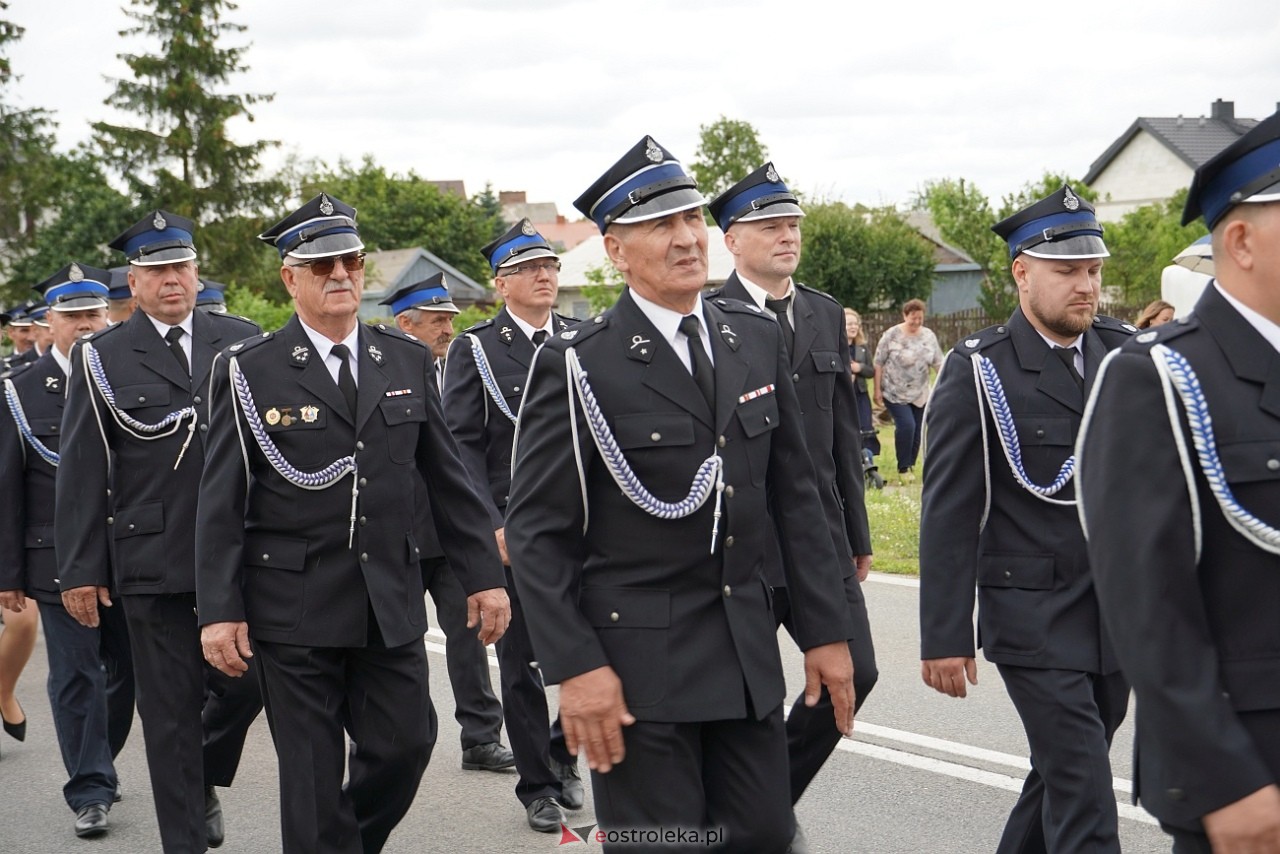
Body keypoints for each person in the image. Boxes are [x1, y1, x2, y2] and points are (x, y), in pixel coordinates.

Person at [504, 136, 855, 853]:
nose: (689, 238)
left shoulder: (752, 338)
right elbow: (538, 534)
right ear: (615, 250)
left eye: (693, 218)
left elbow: (799, 499)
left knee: (761, 836)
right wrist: (575, 666)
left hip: (743, 661)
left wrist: (825, 629)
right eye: (662, 225)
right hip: (635, 676)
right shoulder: (579, 365)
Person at [195, 193, 511, 854]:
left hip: (385, 601)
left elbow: (449, 481)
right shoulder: (250, 371)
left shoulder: (403, 361)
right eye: (322, 266)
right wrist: (218, 610)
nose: (340, 274)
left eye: (351, 262)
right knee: (310, 777)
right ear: (291, 279)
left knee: (408, 743)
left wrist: (484, 576)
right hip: (294, 607)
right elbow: (220, 500)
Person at [1078, 111, 1280, 854]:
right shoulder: (1157, 377)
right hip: (1253, 778)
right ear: (1241, 240)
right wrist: (1225, 782)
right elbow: (1147, 605)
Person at [919, 185, 1136, 854]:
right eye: (1067, 271)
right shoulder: (979, 370)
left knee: (1059, 777)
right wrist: (943, 634)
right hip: (1032, 616)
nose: (1086, 286)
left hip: (1113, 615)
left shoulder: (1122, 353)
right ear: (1021, 272)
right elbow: (949, 510)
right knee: (1085, 796)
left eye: (1093, 270)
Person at [55, 210, 264, 853]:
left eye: (181, 267)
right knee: (169, 714)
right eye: (157, 271)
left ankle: (200, 772)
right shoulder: (103, 355)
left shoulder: (245, 339)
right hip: (154, 558)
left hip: (242, 556)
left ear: (197, 274)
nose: (172, 280)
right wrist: (81, 567)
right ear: (135, 281)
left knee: (248, 684)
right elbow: (83, 468)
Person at [705, 165, 878, 844]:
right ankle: (757, 818)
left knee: (855, 672)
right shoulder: (709, 317)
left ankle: (762, 807)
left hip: (818, 538)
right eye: (770, 225)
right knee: (743, 698)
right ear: (732, 238)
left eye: (793, 224)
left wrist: (857, 533)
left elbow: (842, 431)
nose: (788, 236)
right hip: (744, 542)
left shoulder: (824, 312)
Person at [442, 220, 582, 833]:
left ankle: (564, 749)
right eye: (527, 268)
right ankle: (538, 786)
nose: (544, 275)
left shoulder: (581, 338)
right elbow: (461, 448)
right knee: (522, 662)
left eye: (549, 265)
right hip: (514, 528)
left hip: (582, 528)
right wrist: (489, 524)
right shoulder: (477, 349)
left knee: (588, 652)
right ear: (501, 283)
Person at [0, 265, 135, 838]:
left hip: (129, 556)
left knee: (125, 674)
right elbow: (7, 485)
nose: (85, 325)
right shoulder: (18, 392)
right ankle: (90, 788)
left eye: (93, 314)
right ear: (48, 321)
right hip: (54, 558)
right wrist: (8, 572)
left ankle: (99, 756)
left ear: (108, 316)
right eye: (72, 316)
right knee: (76, 673)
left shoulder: (128, 375)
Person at [378, 274, 517, 777]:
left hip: (448, 530)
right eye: (437, 320)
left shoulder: (457, 369)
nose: (446, 329)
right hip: (398, 532)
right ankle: (402, 738)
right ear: (404, 323)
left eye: (450, 319)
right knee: (401, 639)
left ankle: (481, 737)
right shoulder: (379, 368)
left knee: (469, 631)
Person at [872, 299, 942, 483]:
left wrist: (944, 384)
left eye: (920, 318)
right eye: (913, 318)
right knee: (906, 426)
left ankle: (910, 465)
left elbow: (938, 363)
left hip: (920, 393)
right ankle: (903, 467)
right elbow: (878, 362)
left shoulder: (928, 335)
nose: (917, 322)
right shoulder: (892, 334)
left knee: (918, 430)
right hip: (894, 392)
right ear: (905, 316)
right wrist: (877, 390)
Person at [844, 308, 880, 456]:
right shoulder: (836, 347)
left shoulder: (862, 348)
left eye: (855, 324)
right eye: (849, 324)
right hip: (844, 397)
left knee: (866, 427)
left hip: (861, 394)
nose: (853, 327)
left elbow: (871, 371)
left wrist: (859, 368)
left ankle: (868, 462)